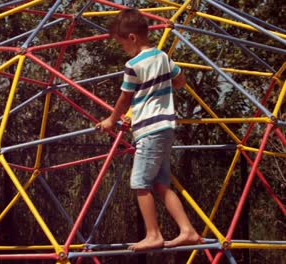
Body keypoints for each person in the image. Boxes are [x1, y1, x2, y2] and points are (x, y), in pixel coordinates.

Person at [96, 8, 200, 251]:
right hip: (165, 127)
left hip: (150, 130)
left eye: (121, 44)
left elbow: (124, 98)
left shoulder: (133, 64)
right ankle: (188, 230)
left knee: (140, 183)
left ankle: (153, 234)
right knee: (161, 184)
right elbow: (180, 80)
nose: (123, 49)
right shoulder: (163, 57)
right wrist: (162, 88)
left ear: (131, 38)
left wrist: (112, 120)